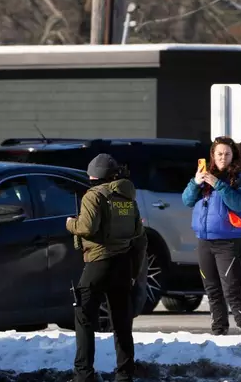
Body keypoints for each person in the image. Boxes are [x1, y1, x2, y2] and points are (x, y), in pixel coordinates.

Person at [66, 153, 147, 382]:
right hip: (122, 264)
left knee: (83, 315)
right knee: (121, 321)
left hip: (98, 262)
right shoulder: (127, 197)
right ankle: (124, 373)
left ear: (94, 174)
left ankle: (83, 374)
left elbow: (88, 227)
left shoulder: (94, 195)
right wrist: (133, 272)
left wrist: (71, 224)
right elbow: (139, 237)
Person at [182, 136, 241, 335]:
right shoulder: (204, 176)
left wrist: (219, 185)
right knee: (211, 289)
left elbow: (239, 205)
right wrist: (195, 183)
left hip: (227, 241)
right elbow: (187, 200)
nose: (223, 157)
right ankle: (219, 329)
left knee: (230, 288)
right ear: (213, 155)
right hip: (204, 240)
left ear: (233, 156)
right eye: (219, 154)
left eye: (227, 154)